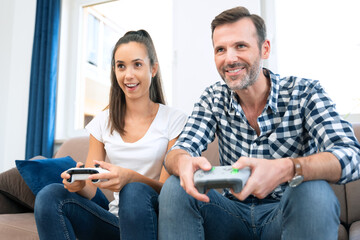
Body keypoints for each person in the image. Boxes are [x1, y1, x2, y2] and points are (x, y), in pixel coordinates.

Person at [158, 6, 360, 240]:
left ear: (265, 49)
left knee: (314, 190)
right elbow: (179, 149)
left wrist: (287, 168)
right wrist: (182, 161)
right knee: (175, 186)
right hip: (230, 214)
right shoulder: (213, 97)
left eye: (240, 46)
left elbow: (351, 155)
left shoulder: (305, 92)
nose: (230, 58)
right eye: (220, 49)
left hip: (285, 213)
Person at [34, 29, 187, 240]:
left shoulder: (175, 120)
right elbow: (90, 188)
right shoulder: (102, 122)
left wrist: (129, 179)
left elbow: (168, 191)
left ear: (153, 69)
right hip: (115, 221)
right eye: (121, 66)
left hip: (154, 220)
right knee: (49, 196)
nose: (128, 75)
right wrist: (79, 185)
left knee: (133, 192)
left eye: (137, 64)